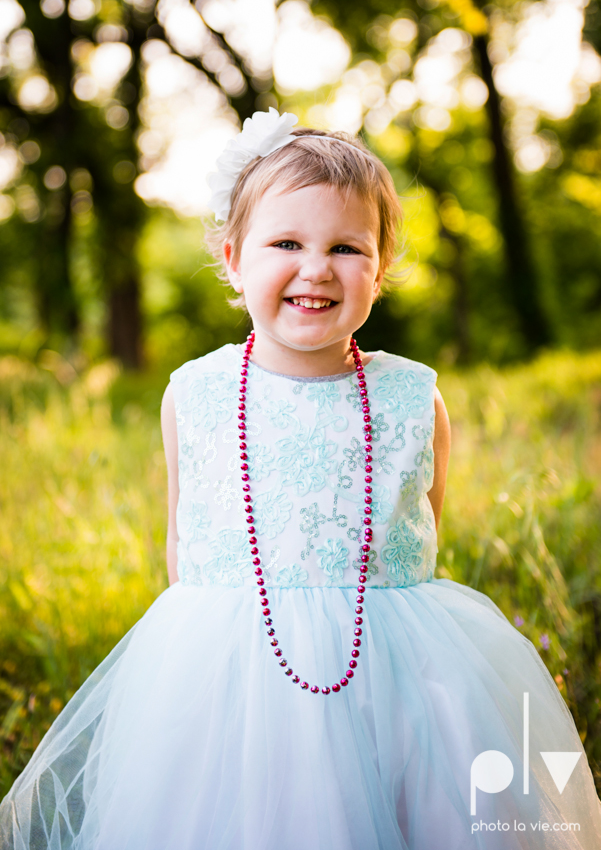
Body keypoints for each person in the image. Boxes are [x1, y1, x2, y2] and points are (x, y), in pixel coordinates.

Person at [1, 109, 600, 850]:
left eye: (345, 247)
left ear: (379, 269)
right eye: (286, 242)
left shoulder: (414, 397)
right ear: (231, 256)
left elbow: (417, 543)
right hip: (229, 680)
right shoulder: (198, 392)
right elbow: (184, 547)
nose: (315, 268)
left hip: (392, 677)